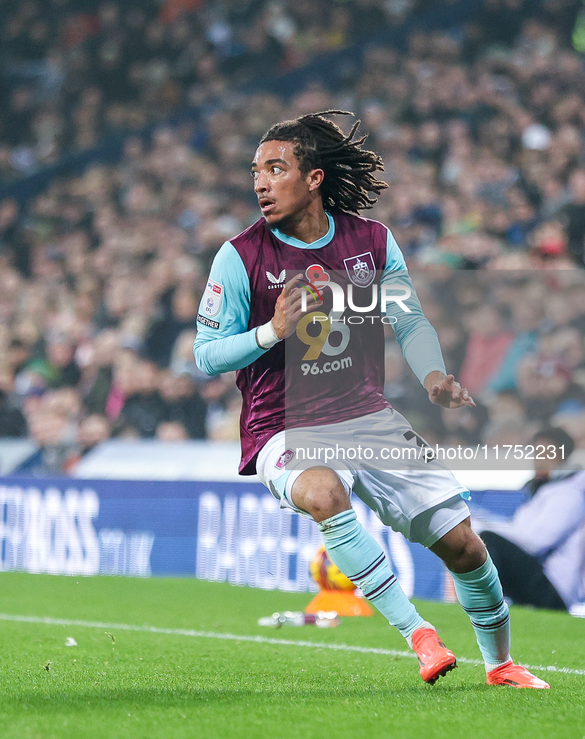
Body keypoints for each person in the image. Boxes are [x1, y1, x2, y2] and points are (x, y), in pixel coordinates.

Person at [194, 110, 549, 689]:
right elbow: (205, 355)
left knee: (463, 546)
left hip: (366, 417)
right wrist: (271, 332)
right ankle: (420, 636)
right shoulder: (240, 258)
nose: (259, 182)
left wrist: (433, 374)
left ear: (314, 178)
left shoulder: (371, 241)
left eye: (275, 169)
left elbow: (410, 321)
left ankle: (501, 662)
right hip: (283, 423)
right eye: (255, 170)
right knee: (323, 491)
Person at [480, 428, 585, 612]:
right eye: (536, 452)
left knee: (488, 541)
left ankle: (484, 609)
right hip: (543, 579)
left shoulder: (570, 493)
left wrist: (488, 528)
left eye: (546, 452)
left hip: (555, 589)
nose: (539, 459)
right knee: (484, 540)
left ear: (563, 455)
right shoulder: (544, 490)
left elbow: (535, 542)